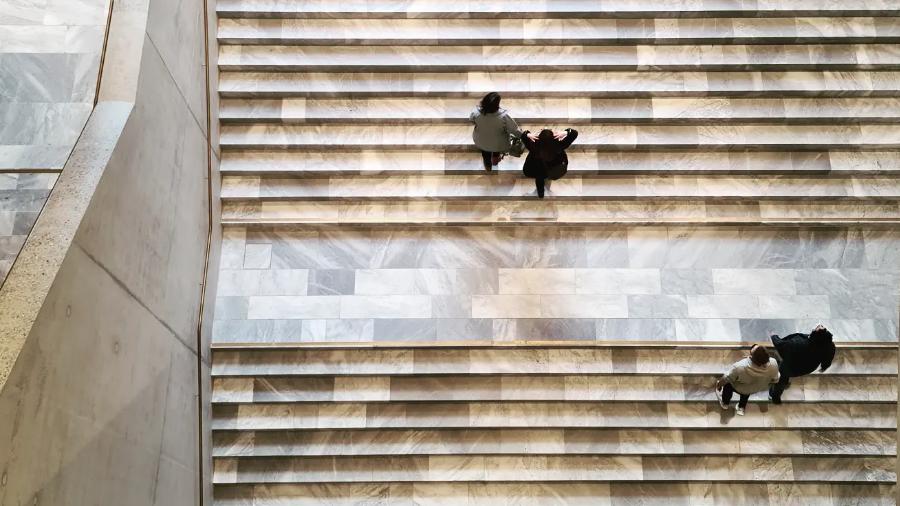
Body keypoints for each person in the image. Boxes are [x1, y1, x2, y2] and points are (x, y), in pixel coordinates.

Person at [768, 325, 836, 404]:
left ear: (815, 336)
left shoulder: (798, 343)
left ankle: (773, 395)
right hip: (809, 367)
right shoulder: (829, 346)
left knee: (782, 378)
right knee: (785, 374)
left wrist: (773, 336)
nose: (821, 326)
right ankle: (784, 383)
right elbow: (827, 361)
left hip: (791, 367)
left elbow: (780, 344)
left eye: (820, 329)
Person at [715, 344, 780, 416]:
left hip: (739, 387)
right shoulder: (773, 363)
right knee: (746, 392)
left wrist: (719, 385)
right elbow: (776, 379)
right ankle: (741, 407)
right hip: (755, 388)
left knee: (728, 385)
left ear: (752, 357)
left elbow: (727, 377)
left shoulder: (740, 367)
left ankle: (725, 403)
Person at [469, 92, 522, 172]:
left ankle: (488, 167)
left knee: (485, 154)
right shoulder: (504, 117)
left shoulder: (476, 113)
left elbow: (472, 120)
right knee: (496, 151)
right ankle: (495, 162)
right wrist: (524, 135)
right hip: (498, 143)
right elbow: (514, 130)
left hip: (482, 141)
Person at [520, 127, 578, 198]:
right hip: (552, 168)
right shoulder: (559, 145)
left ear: (539, 137)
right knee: (549, 175)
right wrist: (564, 132)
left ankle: (540, 194)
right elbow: (574, 133)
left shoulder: (533, 144)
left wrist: (528, 134)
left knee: (539, 178)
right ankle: (548, 188)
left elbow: (523, 136)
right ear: (553, 137)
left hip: (536, 170)